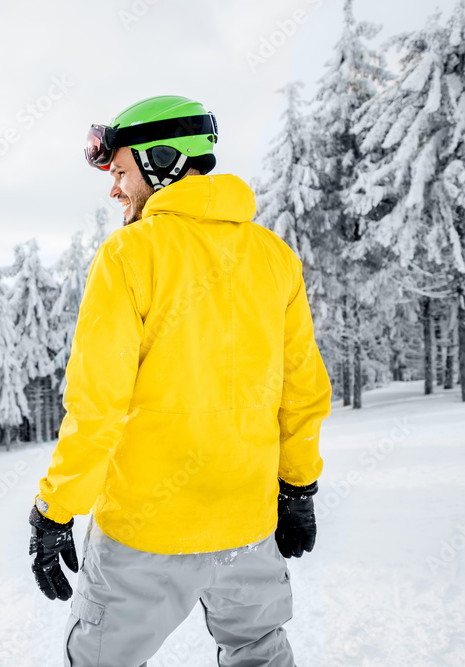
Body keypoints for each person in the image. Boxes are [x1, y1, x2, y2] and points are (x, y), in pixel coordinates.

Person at [28, 95, 331, 666]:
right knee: (258, 652)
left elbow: (97, 405)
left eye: (119, 172)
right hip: (246, 524)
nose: (113, 189)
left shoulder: (128, 255)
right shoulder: (274, 256)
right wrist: (299, 487)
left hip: (144, 532)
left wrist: (57, 508)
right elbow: (303, 392)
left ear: (162, 160)